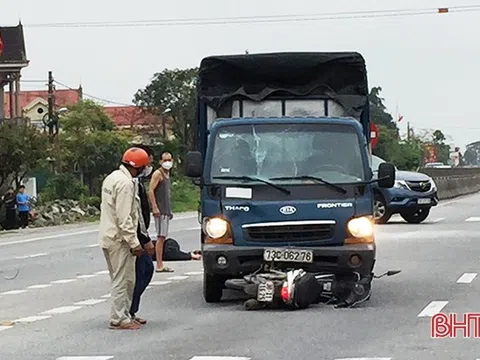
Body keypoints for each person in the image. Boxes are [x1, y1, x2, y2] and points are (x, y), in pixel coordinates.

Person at [98, 147, 150, 330]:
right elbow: (124, 217)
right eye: (144, 167)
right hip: (120, 240)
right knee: (124, 280)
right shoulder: (126, 185)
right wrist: (134, 243)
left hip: (108, 236)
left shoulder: (112, 178)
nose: (145, 170)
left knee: (119, 278)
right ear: (137, 167)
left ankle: (125, 314)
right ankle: (119, 319)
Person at [129, 145, 156, 325]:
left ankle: (131, 310)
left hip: (139, 234)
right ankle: (128, 311)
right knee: (142, 272)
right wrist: (144, 240)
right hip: (135, 237)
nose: (149, 168)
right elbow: (136, 214)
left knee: (144, 271)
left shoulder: (137, 182)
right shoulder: (130, 183)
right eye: (147, 163)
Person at [148, 151, 174, 273]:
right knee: (161, 237)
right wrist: (154, 207)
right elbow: (151, 190)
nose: (167, 162)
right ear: (160, 161)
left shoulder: (168, 175)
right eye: (165, 160)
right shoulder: (158, 174)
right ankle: (159, 264)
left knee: (163, 236)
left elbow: (167, 194)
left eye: (169, 160)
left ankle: (160, 263)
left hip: (165, 210)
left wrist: (170, 211)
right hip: (160, 210)